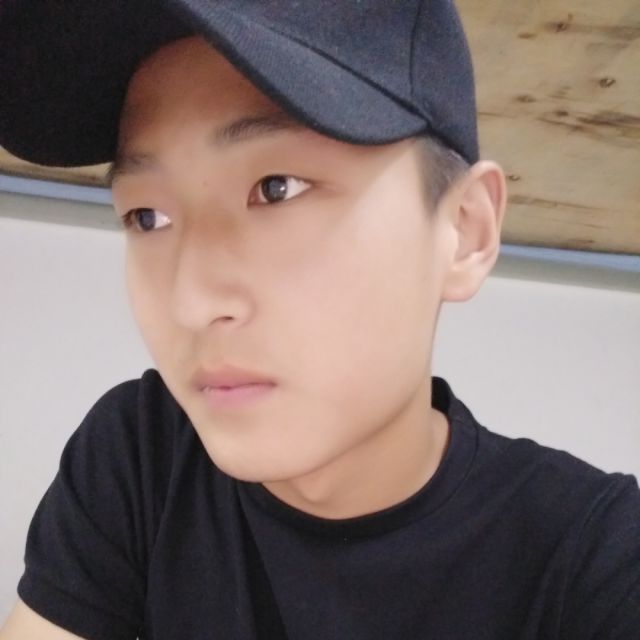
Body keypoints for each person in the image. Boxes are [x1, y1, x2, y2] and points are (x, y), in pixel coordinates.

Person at [1, 1, 638, 638]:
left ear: (465, 231)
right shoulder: (142, 457)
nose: (190, 303)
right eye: (148, 217)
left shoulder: (596, 558)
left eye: (277, 188)